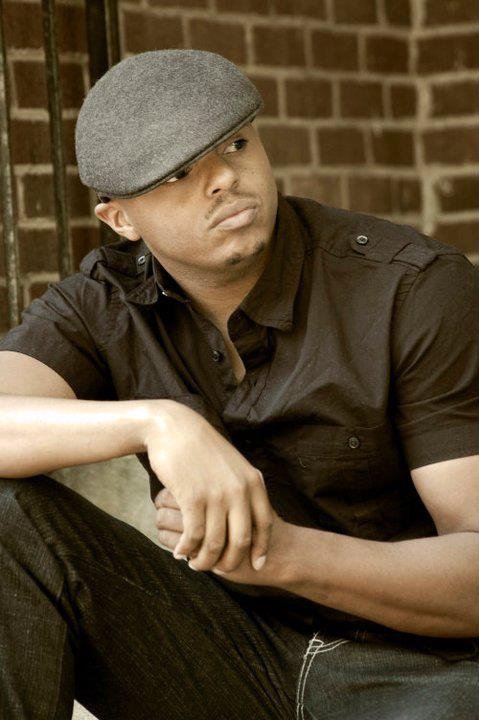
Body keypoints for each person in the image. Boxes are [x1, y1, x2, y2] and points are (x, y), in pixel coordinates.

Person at [0, 48, 478, 720]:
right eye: (179, 174)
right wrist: (158, 423)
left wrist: (279, 554)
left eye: (236, 144)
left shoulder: (411, 288)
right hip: (227, 654)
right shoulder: (103, 302)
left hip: (421, 670)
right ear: (121, 221)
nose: (223, 178)